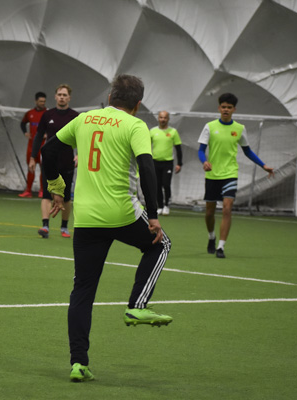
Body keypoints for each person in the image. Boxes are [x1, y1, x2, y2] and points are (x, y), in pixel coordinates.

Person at [41, 74, 172, 382]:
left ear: (111, 98)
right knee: (160, 244)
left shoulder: (84, 119)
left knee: (83, 290)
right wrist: (153, 215)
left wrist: (56, 187)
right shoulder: (135, 126)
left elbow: (48, 151)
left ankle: (78, 363)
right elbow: (147, 168)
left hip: (86, 218)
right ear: (137, 104)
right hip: (122, 213)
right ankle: (137, 305)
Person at [198, 93, 274, 258]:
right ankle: (211, 237)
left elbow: (247, 151)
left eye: (229, 107)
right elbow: (201, 150)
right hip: (212, 175)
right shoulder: (209, 127)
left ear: (234, 109)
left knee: (227, 208)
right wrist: (204, 161)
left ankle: (221, 247)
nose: (226, 110)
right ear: (219, 108)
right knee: (209, 212)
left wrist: (263, 165)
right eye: (223, 107)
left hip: (230, 174)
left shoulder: (239, 129)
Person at [30, 84, 78, 238]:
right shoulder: (47, 115)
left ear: (69, 98)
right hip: (49, 163)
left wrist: (79, 155)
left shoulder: (75, 117)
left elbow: (82, 137)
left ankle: (64, 227)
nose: (62, 97)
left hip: (67, 161)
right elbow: (38, 137)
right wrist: (33, 157)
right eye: (60, 95)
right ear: (55, 97)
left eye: (65, 95)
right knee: (46, 194)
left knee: (66, 197)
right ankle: (45, 226)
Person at [150, 111, 183, 215]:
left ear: (168, 119)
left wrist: (179, 163)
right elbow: (146, 146)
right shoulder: (152, 131)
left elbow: (178, 149)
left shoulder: (173, 132)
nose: (163, 119)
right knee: (157, 185)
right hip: (155, 162)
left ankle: (166, 206)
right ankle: (159, 206)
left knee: (166, 184)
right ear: (158, 118)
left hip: (168, 163)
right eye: (161, 117)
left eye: (165, 118)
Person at [18, 91, 46, 198]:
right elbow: (22, 123)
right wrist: (25, 132)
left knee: (44, 168)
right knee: (31, 167)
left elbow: (53, 126)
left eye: (44, 101)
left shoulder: (48, 114)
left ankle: (42, 190)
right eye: (41, 101)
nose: (42, 103)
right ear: (36, 101)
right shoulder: (30, 113)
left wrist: (48, 134)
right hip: (32, 146)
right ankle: (28, 190)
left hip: (44, 146)